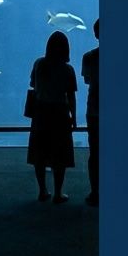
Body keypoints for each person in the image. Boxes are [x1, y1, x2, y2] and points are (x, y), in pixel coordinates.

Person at [28, 30, 77, 204]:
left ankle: (42, 191)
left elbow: (33, 85)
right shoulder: (67, 69)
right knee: (59, 154)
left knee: (39, 152)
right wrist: (74, 118)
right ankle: (58, 193)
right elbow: (71, 96)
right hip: (59, 113)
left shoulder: (39, 64)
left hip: (40, 112)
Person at [80, 19, 99, 206]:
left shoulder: (88, 57)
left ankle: (95, 192)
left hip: (94, 109)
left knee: (94, 152)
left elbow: (86, 80)